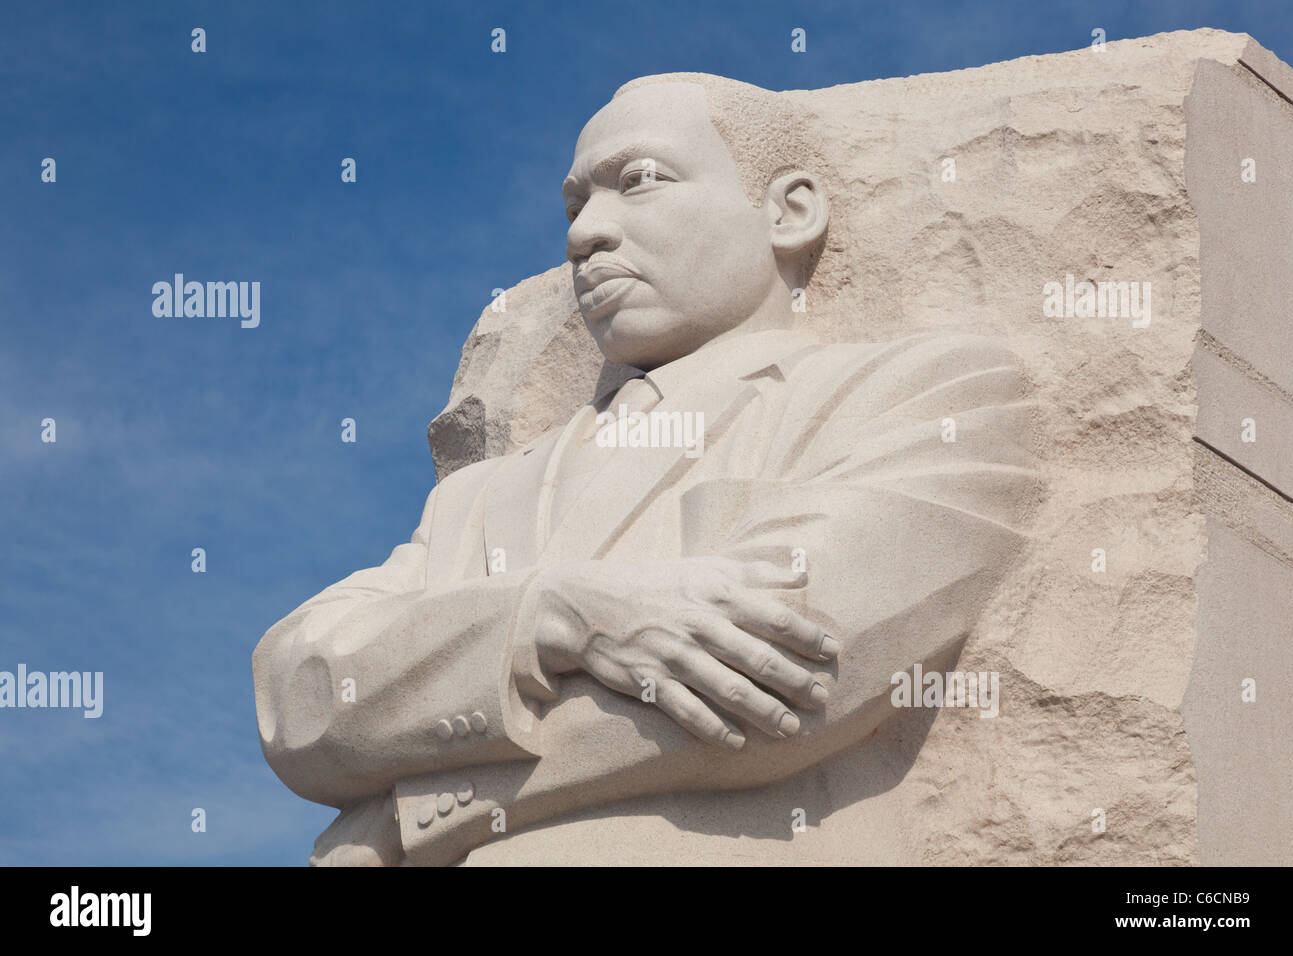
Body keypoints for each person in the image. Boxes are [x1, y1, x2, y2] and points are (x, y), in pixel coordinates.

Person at [252, 73, 1039, 866]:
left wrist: (414, 807)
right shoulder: (478, 499)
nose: (584, 234)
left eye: (640, 181)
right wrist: (545, 611)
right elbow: (303, 696)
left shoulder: (923, 396)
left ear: (789, 211)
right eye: (573, 206)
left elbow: (781, 682)